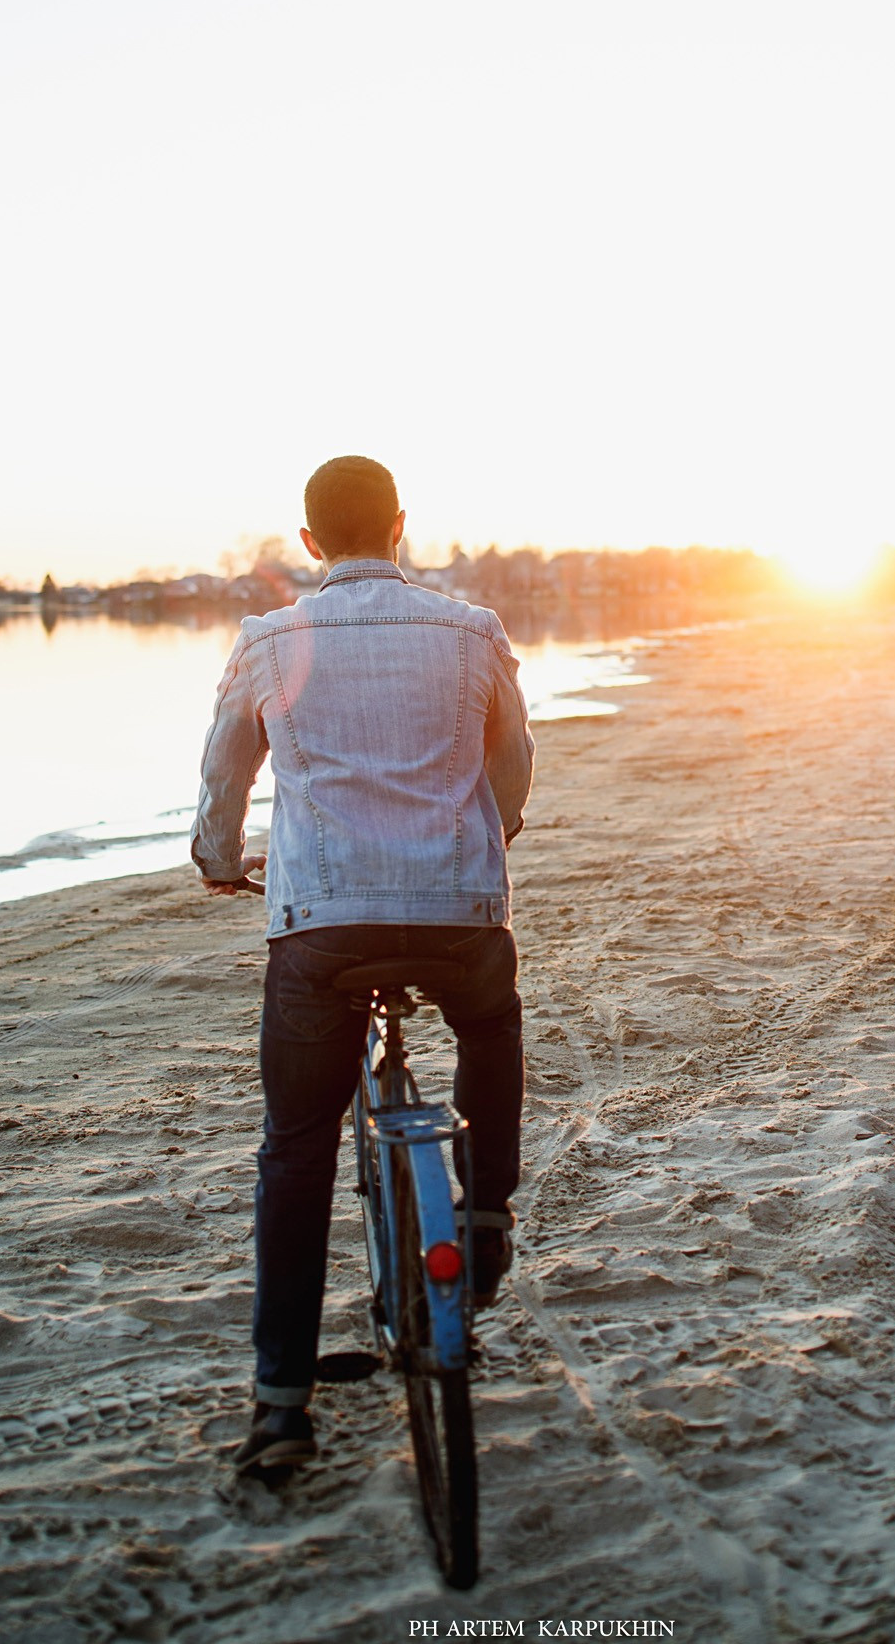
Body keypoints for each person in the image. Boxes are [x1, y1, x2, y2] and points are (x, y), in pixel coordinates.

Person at [190, 455, 534, 1474]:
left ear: (308, 543)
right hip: (459, 913)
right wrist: (493, 833)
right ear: (398, 525)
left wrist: (219, 861)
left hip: (322, 925)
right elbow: (512, 759)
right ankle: (484, 1212)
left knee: (296, 1149)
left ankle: (280, 1410)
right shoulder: (471, 630)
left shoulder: (269, 639)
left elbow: (224, 773)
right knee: (489, 1025)